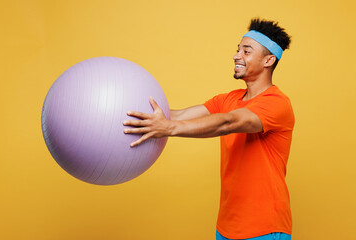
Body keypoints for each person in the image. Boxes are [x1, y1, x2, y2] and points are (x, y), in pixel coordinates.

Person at [123, 18, 294, 240]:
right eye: (237, 49)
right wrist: (128, 111)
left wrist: (168, 128)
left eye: (246, 51)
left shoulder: (277, 102)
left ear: (268, 60)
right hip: (226, 227)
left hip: (264, 228)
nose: (236, 55)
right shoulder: (228, 99)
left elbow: (229, 122)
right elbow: (179, 114)